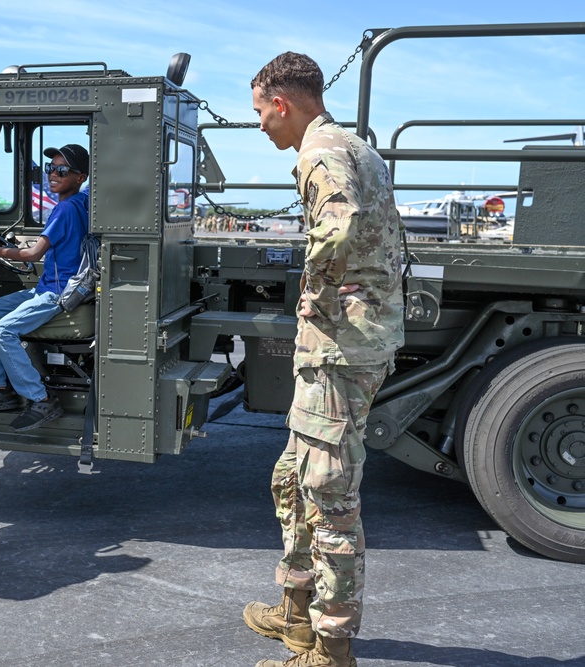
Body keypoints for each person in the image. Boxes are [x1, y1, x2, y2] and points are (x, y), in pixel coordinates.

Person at [242, 53, 404, 667]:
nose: (260, 124)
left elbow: (338, 227)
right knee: (293, 476)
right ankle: (295, 611)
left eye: (260, 111)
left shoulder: (320, 152)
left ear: (281, 103)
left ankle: (331, 649)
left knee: (328, 496)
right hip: (343, 346)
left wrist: (316, 295)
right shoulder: (355, 146)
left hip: (339, 349)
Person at [0, 143, 89, 432]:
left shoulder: (65, 209)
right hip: (48, 286)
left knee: (2, 330)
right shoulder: (82, 203)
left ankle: (41, 398)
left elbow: (32, 254)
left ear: (80, 177)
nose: (53, 174)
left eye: (62, 170)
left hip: (56, 293)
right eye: (51, 168)